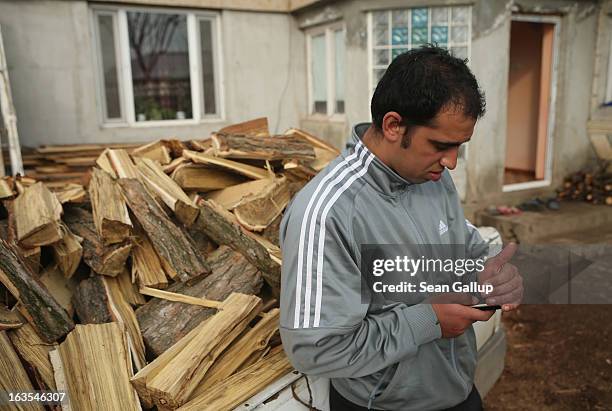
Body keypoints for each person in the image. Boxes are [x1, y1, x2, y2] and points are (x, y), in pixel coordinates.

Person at [279, 45, 523, 411]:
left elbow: (468, 248)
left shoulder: (432, 176)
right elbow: (316, 350)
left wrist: (494, 272)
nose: (453, 162)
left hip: (458, 390)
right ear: (394, 125)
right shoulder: (327, 213)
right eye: (441, 145)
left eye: (460, 146)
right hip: (384, 405)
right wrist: (429, 321)